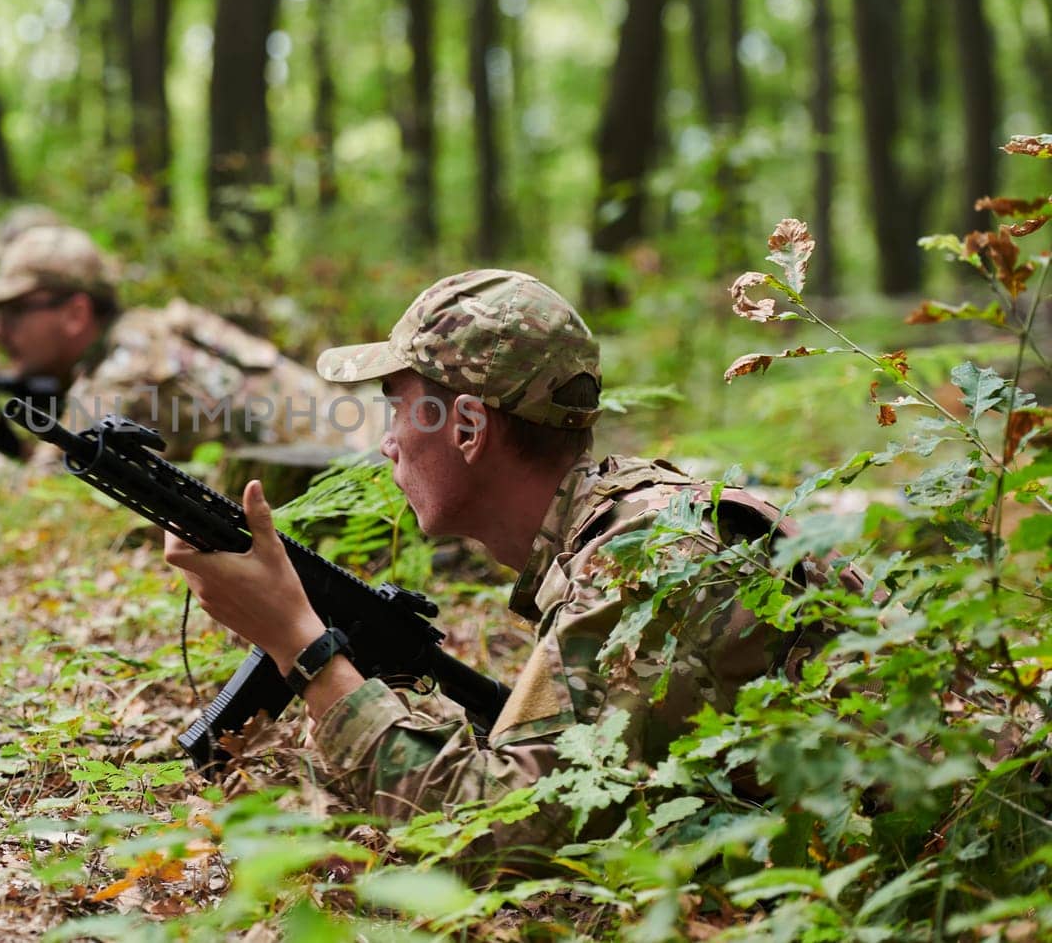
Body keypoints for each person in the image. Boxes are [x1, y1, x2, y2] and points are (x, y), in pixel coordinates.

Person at [164, 269, 823, 873]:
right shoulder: (632, 527)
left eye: (398, 406)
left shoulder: (646, 559)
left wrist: (302, 649)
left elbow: (497, 840)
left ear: (469, 428)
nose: (388, 440)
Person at [0, 224, 378, 478]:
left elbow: (39, 502)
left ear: (76, 313)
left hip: (374, 474)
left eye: (15, 312)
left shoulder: (124, 374)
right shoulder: (141, 336)